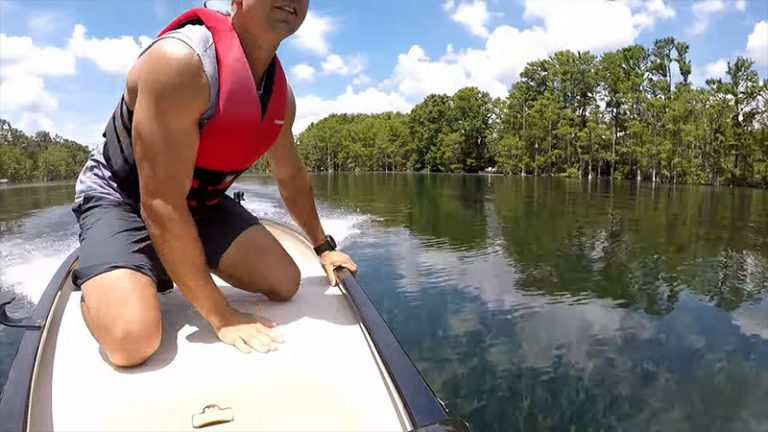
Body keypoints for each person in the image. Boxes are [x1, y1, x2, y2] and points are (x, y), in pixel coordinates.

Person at [70, 0, 357, 368]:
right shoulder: (179, 62)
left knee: (285, 282)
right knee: (131, 342)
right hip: (123, 198)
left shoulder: (280, 97)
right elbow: (158, 202)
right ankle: (102, 267)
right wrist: (221, 316)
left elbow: (290, 174)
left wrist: (322, 247)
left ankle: (163, 259)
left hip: (194, 204)